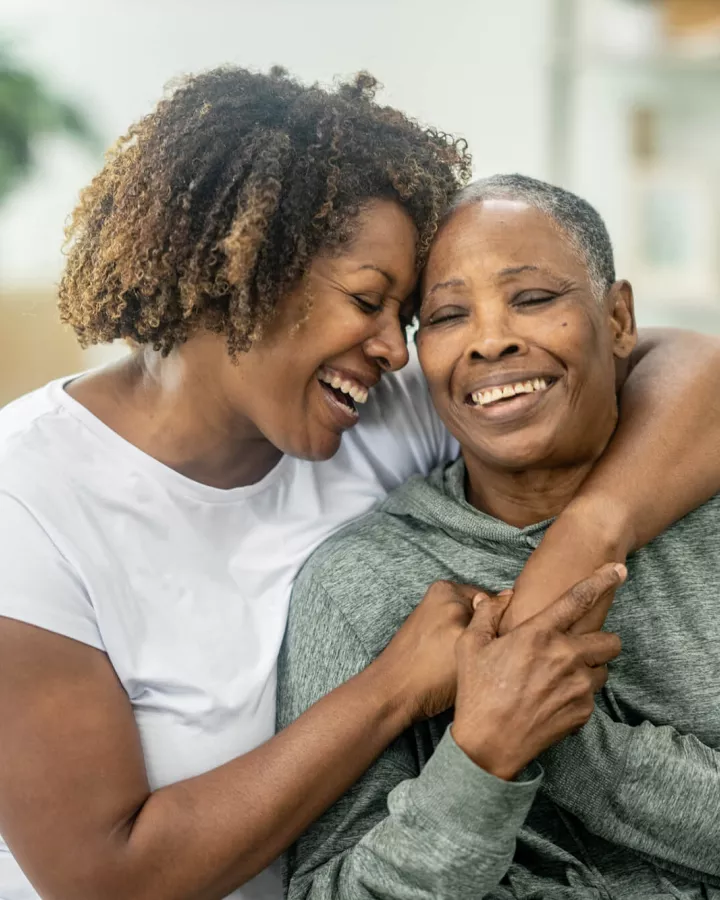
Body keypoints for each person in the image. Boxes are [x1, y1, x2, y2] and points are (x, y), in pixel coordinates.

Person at [0, 62, 718, 900]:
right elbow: (102, 881)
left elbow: (680, 362)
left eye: (409, 313)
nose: (398, 348)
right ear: (249, 270)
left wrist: (585, 536)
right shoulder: (27, 497)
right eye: (370, 300)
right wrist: (401, 688)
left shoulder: (370, 408)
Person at [280, 174, 720, 900]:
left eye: (535, 298)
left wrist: (559, 731)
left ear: (618, 319)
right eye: (449, 316)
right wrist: (479, 761)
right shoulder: (364, 581)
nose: (491, 340)